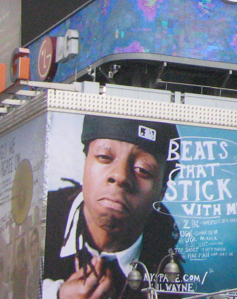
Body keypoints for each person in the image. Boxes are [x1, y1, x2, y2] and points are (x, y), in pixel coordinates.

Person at [42, 115, 182, 299]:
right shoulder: (37, 220)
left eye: (143, 169)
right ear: (85, 163)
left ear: (162, 190)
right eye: (104, 156)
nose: (120, 175)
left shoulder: (169, 273)